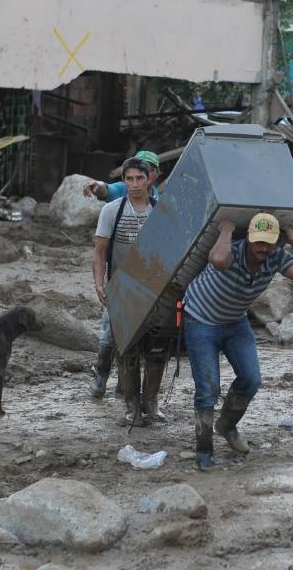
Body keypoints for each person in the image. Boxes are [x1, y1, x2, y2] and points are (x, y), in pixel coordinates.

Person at [183, 213, 293, 470]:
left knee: (251, 379)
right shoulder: (232, 251)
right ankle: (203, 451)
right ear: (248, 238)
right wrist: (226, 230)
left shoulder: (275, 257)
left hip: (235, 322)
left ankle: (226, 425)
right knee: (208, 389)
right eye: (258, 242)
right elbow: (217, 259)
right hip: (201, 320)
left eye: (269, 242)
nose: (263, 248)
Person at [91, 157, 166, 423]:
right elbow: (100, 253)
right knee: (126, 350)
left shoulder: (161, 211)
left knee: (157, 349)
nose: (134, 184)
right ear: (123, 180)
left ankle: (152, 403)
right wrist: (100, 284)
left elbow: (172, 253)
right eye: (129, 179)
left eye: (140, 178)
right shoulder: (112, 211)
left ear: (150, 179)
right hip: (122, 289)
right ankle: (132, 407)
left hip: (156, 290)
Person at [83, 150, 161, 201]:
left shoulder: (161, 199)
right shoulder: (123, 190)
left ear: (157, 173)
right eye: (140, 169)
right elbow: (108, 190)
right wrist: (98, 185)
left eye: (150, 169)